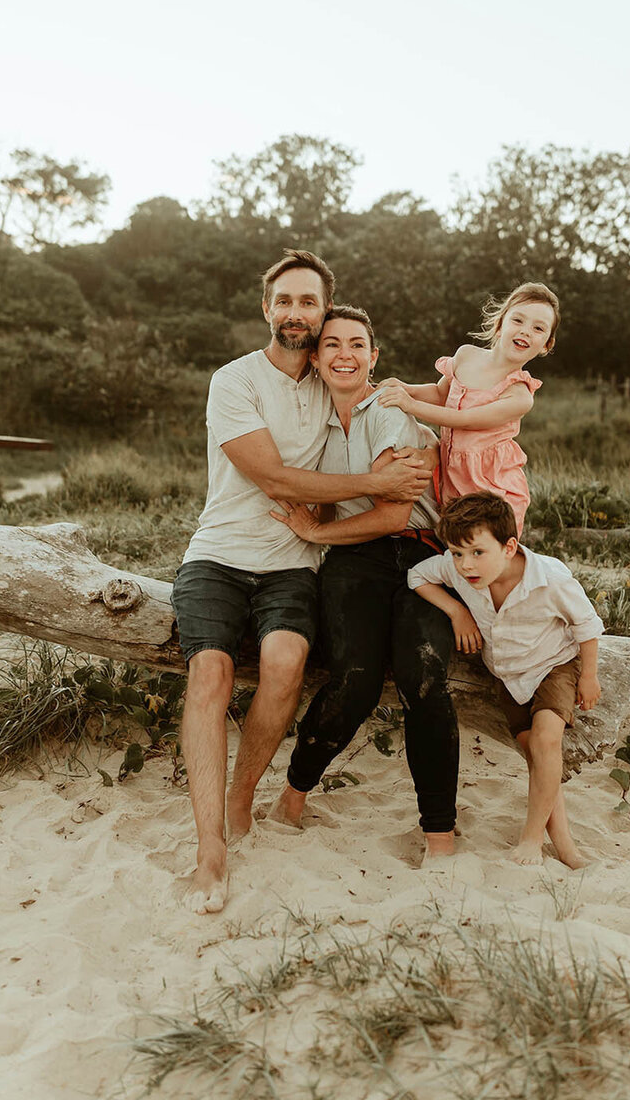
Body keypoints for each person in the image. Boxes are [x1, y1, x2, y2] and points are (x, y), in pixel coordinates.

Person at [171, 251, 432, 914]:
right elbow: (277, 479)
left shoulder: (331, 381)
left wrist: (413, 402)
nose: (295, 313)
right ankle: (209, 853)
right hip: (218, 556)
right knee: (211, 675)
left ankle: (242, 793)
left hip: (291, 563)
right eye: (284, 301)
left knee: (286, 662)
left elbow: (395, 401)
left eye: (308, 303)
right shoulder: (232, 382)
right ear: (267, 309)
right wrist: (374, 484)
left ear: (322, 313)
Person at [269, 306, 460, 860]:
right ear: (316, 357)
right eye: (331, 345)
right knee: (353, 677)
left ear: (374, 357)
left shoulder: (388, 412)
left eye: (357, 344)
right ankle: (293, 795)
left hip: (422, 556)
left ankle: (440, 836)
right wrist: (315, 524)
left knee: (423, 676)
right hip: (356, 560)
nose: (345, 355)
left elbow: (396, 515)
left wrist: (314, 529)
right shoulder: (317, 429)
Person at [407, 491, 603, 869]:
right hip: (509, 676)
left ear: (509, 546)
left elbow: (587, 625)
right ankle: (565, 845)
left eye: (478, 552)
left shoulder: (551, 577)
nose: (466, 565)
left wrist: (589, 676)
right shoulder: (455, 568)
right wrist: (456, 610)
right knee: (536, 756)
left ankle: (531, 840)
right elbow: (417, 576)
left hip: (554, 665)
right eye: (458, 553)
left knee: (547, 741)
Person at [377, 283, 560, 536]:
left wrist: (410, 405)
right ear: (500, 325)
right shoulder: (466, 356)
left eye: (538, 328)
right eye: (518, 320)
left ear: (545, 345)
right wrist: (407, 388)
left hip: (491, 485)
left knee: (485, 550)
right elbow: (441, 394)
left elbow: (464, 419)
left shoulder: (518, 394)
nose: (525, 331)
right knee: (454, 544)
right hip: (454, 473)